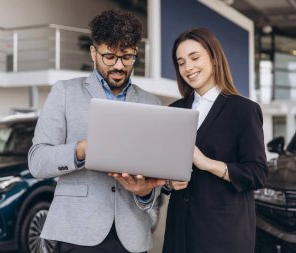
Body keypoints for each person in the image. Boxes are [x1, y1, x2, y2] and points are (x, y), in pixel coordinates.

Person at [28, 9, 164, 253]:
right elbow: (37, 162)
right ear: (93, 52)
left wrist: (145, 193)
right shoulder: (65, 92)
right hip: (77, 232)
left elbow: (155, 176)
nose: (119, 66)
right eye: (109, 56)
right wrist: (81, 151)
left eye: (127, 57)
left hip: (131, 236)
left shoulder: (151, 103)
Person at [161, 27, 268, 253]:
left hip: (223, 233)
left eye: (194, 57)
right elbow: (165, 171)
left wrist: (206, 163)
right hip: (180, 229)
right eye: (181, 62)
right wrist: (169, 183)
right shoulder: (175, 110)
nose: (188, 67)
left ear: (214, 57)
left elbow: (257, 174)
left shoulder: (243, 110)